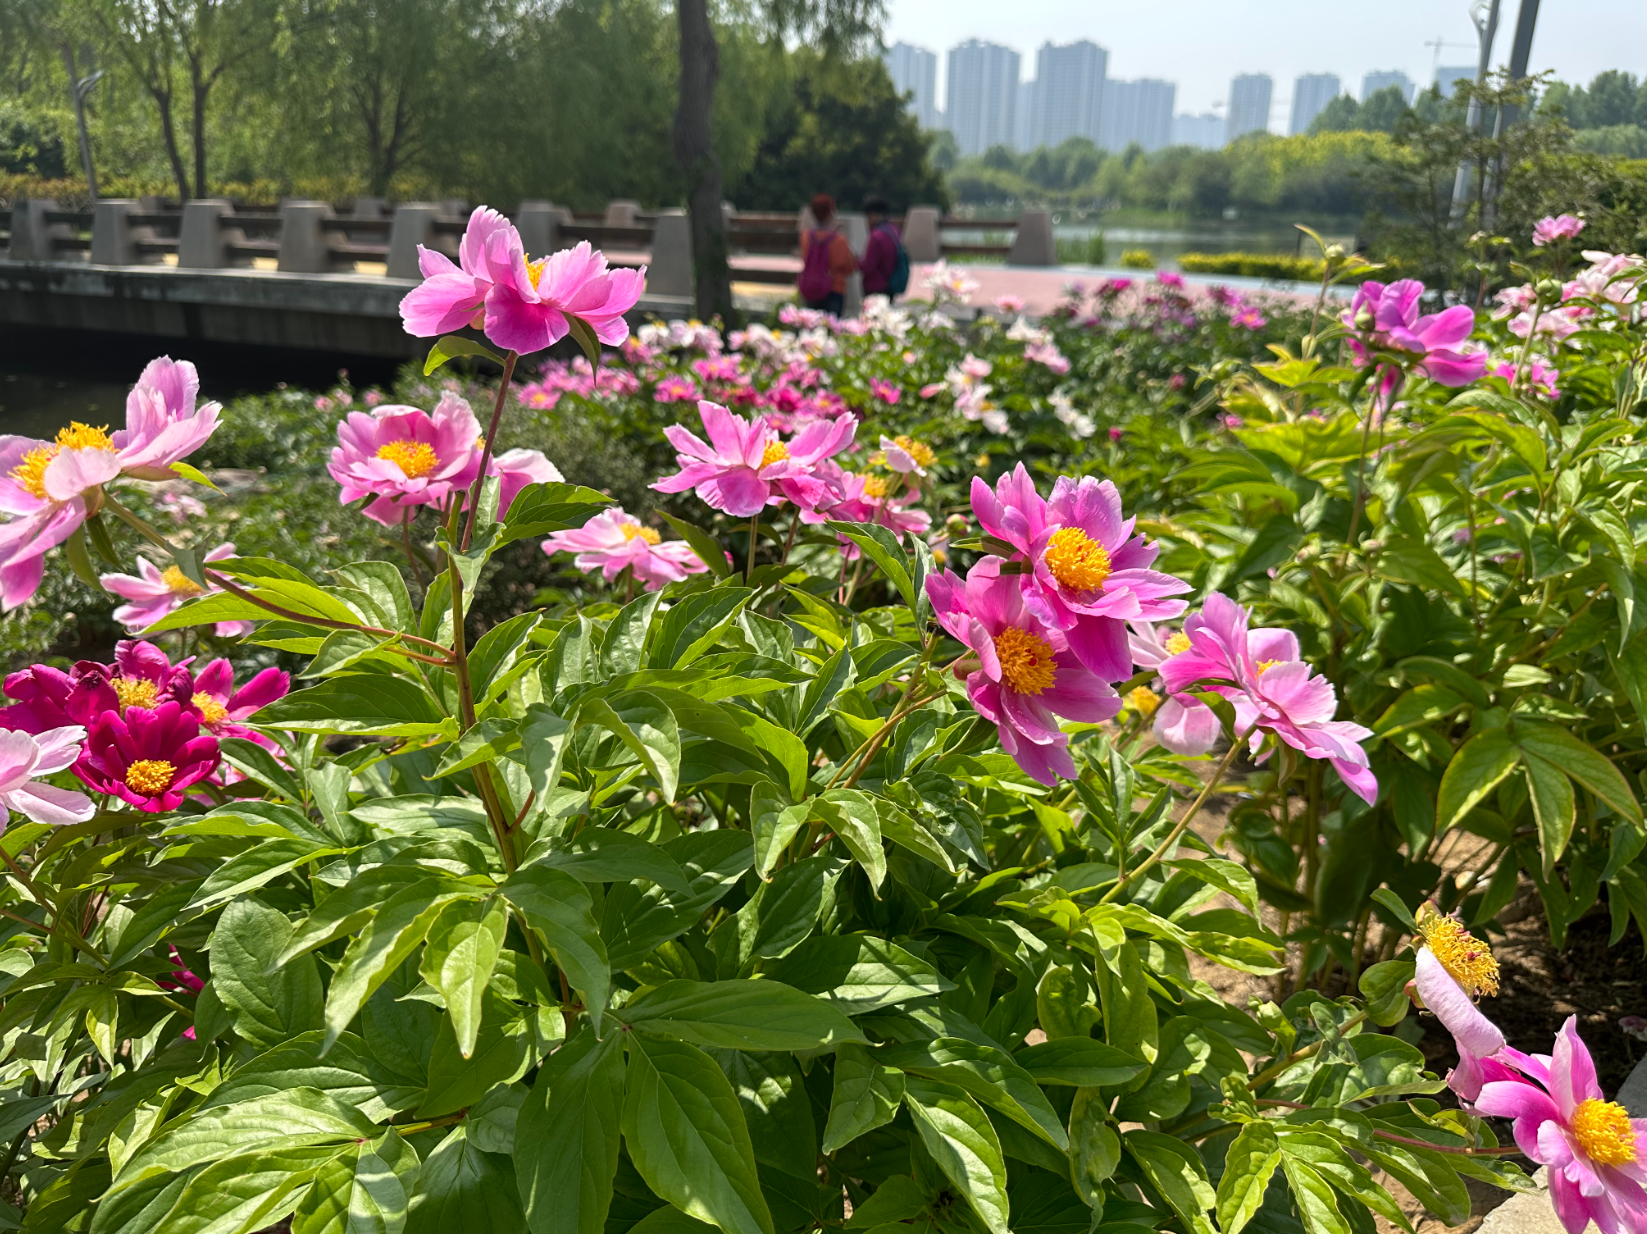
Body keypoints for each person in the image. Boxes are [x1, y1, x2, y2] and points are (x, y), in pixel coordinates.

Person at [798, 193, 856, 316]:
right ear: (831, 212)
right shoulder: (839, 240)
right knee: (832, 329)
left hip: (811, 288)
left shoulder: (805, 237)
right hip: (834, 289)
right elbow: (849, 266)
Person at [861, 195, 909, 300]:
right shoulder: (893, 231)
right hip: (890, 284)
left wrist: (855, 261)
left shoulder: (877, 236)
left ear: (873, 214)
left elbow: (868, 266)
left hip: (875, 286)